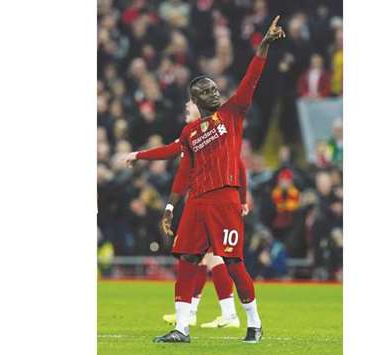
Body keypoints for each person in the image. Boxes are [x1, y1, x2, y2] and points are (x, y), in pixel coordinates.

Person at [152, 15, 285, 344]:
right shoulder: (189, 132)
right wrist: (171, 207)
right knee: (187, 260)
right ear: (197, 99)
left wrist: (263, 46)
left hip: (223, 200)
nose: (215, 91)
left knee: (233, 262)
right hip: (196, 202)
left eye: (214, 87)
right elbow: (182, 169)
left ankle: (253, 322)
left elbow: (251, 80)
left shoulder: (232, 113)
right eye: (207, 90)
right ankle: (181, 328)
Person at [121, 100, 246, 329]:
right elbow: (170, 150)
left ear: (201, 107)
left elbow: (238, 164)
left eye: (189, 104)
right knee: (201, 256)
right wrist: (140, 155)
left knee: (209, 255)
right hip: (200, 204)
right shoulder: (193, 134)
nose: (186, 108)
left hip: (215, 204)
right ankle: (197, 313)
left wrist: (243, 199)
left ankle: (226, 314)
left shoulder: (217, 131)